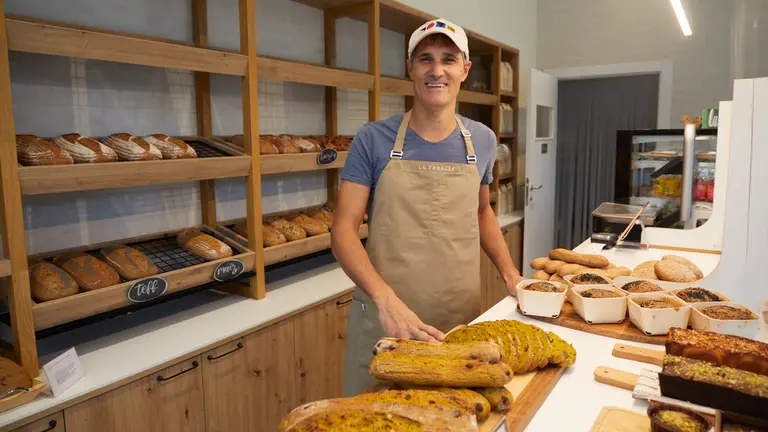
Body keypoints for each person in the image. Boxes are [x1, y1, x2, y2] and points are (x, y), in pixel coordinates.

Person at [331, 18, 523, 396]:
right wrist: (385, 301)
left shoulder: (481, 140)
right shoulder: (373, 139)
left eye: (448, 59)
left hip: (459, 315)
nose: (437, 71)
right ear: (411, 68)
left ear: (464, 70)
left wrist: (510, 274)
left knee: (454, 414)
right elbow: (342, 229)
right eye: (425, 59)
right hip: (387, 316)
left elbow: (482, 212)